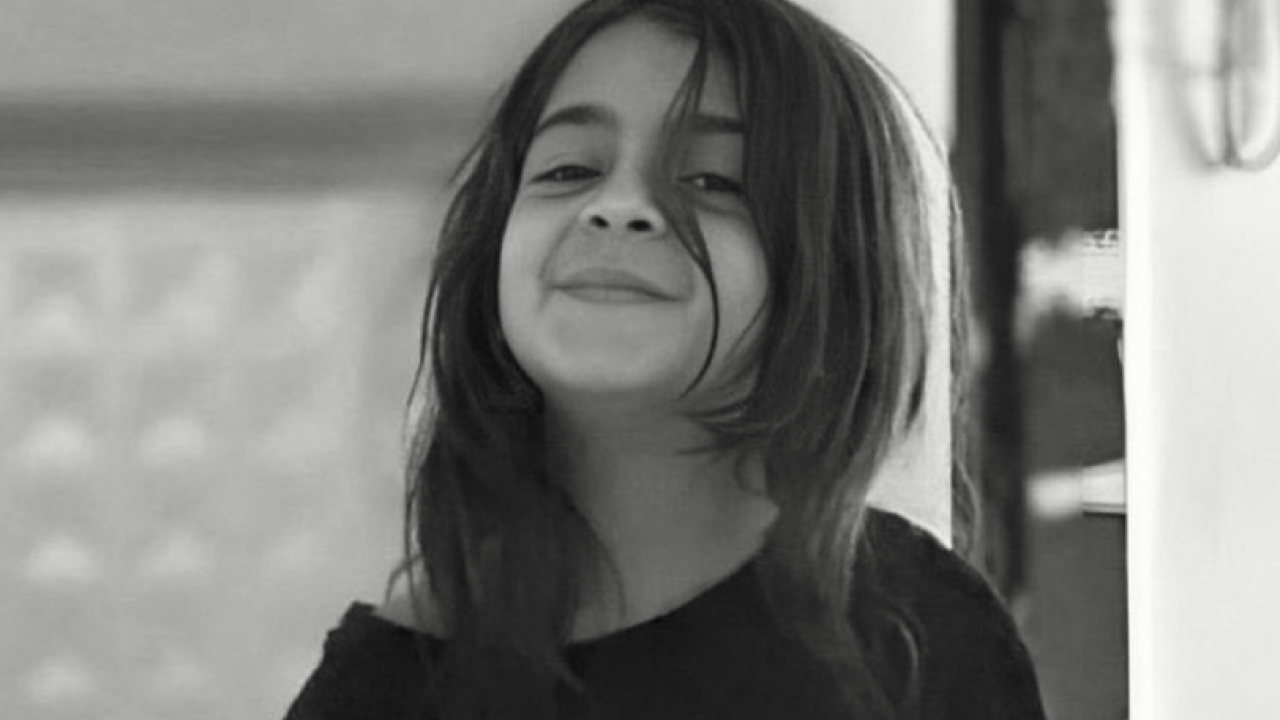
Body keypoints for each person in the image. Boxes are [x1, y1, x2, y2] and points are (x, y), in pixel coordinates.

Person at [284, 0, 1046, 718]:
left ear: (833, 276)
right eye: (568, 170)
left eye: (713, 180)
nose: (617, 206)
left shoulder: (916, 636)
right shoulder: (382, 689)